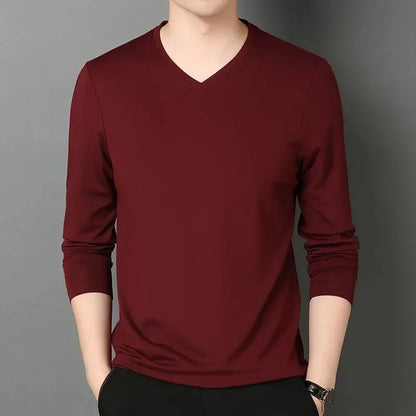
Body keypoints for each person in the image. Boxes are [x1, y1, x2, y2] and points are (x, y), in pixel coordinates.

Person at [61, 1, 360, 415]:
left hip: (274, 393)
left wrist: (318, 389)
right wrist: (102, 380)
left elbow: (333, 245)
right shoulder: (104, 81)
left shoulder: (306, 79)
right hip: (141, 391)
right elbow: (85, 244)